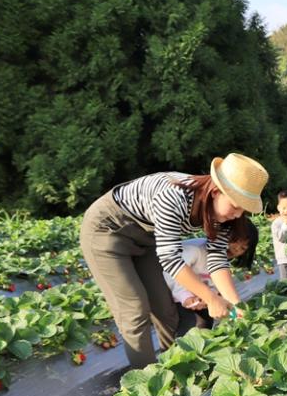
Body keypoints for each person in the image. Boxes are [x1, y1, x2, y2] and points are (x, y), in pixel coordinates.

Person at [79, 153, 268, 368]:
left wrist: (236, 305)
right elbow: (170, 259)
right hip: (108, 230)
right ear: (216, 191)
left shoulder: (224, 217)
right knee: (134, 309)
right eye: (235, 206)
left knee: (165, 308)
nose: (237, 214)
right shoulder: (174, 195)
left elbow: (217, 259)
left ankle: (174, 370)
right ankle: (144, 382)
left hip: (147, 238)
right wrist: (211, 297)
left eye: (244, 209)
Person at [166, 217, 259, 333]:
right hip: (173, 295)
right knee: (187, 326)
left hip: (198, 299)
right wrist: (185, 296)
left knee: (206, 321)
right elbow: (172, 273)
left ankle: (202, 346)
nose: (236, 249)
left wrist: (235, 313)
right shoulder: (195, 250)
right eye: (234, 240)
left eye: (243, 248)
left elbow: (217, 286)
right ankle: (182, 348)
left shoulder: (222, 264)